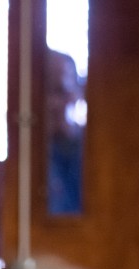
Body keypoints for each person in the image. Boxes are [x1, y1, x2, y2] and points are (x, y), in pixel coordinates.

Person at [45, 49, 86, 215]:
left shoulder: (98, 157)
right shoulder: (19, 162)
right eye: (43, 92)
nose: (51, 103)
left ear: (76, 94)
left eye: (60, 91)